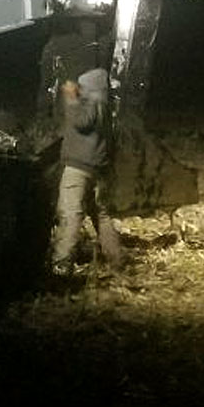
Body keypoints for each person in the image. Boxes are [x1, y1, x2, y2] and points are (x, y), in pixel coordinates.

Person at [52, 66, 124, 274]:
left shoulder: (92, 104)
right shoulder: (107, 109)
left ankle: (61, 264)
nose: (79, 89)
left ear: (92, 89)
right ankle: (116, 259)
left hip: (78, 168)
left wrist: (71, 98)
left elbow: (81, 122)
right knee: (101, 214)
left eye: (83, 87)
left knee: (71, 213)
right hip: (97, 169)